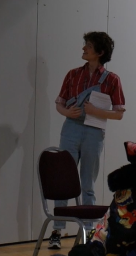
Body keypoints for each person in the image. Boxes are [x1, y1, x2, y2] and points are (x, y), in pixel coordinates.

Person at [48, 32, 126, 249]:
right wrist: (66, 112)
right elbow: (59, 103)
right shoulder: (73, 75)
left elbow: (119, 113)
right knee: (64, 180)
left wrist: (97, 111)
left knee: (88, 183)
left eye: (88, 46)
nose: (83, 49)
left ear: (100, 52)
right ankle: (57, 231)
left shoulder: (112, 79)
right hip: (71, 129)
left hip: (94, 131)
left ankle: (90, 233)